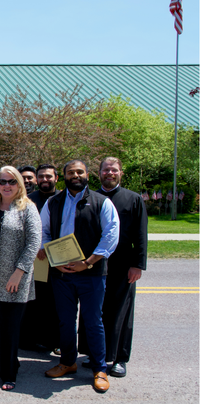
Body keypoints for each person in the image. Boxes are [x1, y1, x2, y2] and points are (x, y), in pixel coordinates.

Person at [40, 160, 119, 394]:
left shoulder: (102, 202)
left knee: (93, 322)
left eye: (79, 172)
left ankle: (99, 369)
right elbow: (44, 231)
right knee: (65, 321)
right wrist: (55, 261)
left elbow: (111, 236)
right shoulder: (53, 202)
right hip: (61, 274)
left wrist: (88, 262)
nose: (75, 175)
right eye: (70, 172)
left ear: (87, 175)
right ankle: (68, 362)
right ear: (63, 176)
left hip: (91, 273)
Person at [0, 166, 41, 391]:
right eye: (2, 181)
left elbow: (33, 243)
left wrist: (19, 272)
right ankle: (1, 365)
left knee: (10, 328)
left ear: (19, 183)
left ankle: (9, 373)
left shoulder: (27, 208)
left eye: (12, 181)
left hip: (14, 279)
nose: (7, 185)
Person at [78, 157, 147, 378]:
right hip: (92, 264)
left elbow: (141, 235)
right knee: (93, 311)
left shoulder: (133, 199)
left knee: (120, 313)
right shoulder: (89, 198)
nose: (110, 173)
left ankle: (119, 358)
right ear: (99, 173)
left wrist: (137, 264)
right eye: (106, 170)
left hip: (122, 265)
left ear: (121, 173)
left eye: (114, 170)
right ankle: (93, 354)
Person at [20, 163, 60, 353]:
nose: (45, 179)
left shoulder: (63, 199)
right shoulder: (28, 200)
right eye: (41, 176)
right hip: (35, 258)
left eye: (48, 176)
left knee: (56, 302)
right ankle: (32, 338)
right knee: (34, 301)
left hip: (59, 258)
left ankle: (57, 340)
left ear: (56, 178)